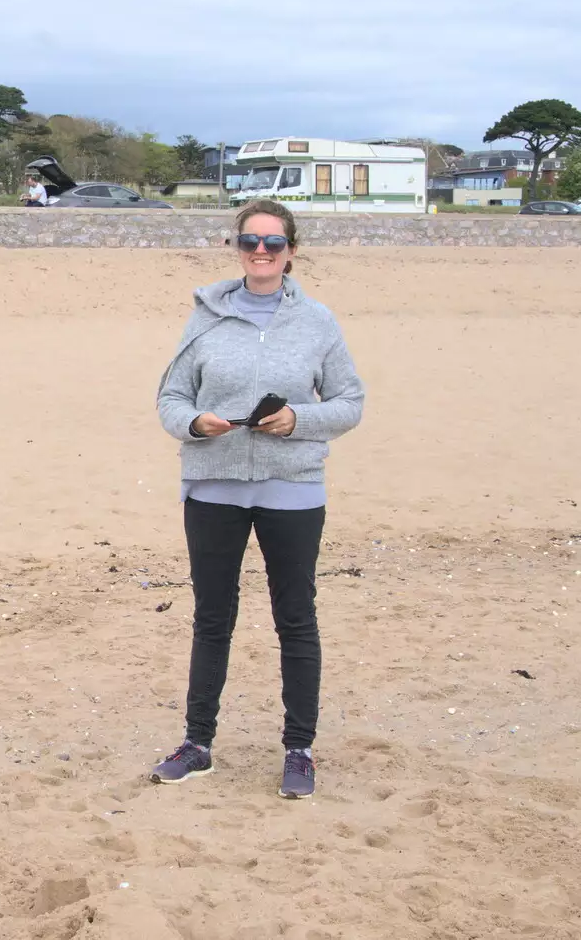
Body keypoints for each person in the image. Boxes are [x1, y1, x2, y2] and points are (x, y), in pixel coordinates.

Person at [152, 200, 365, 799]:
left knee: (295, 618)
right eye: (250, 242)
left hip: (292, 487)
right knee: (212, 618)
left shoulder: (319, 322)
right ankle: (197, 744)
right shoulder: (205, 320)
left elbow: (350, 402)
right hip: (213, 487)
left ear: (292, 250)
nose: (261, 252)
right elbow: (170, 398)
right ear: (236, 248)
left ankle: (299, 749)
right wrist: (197, 425)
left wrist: (298, 419)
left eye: (273, 242)